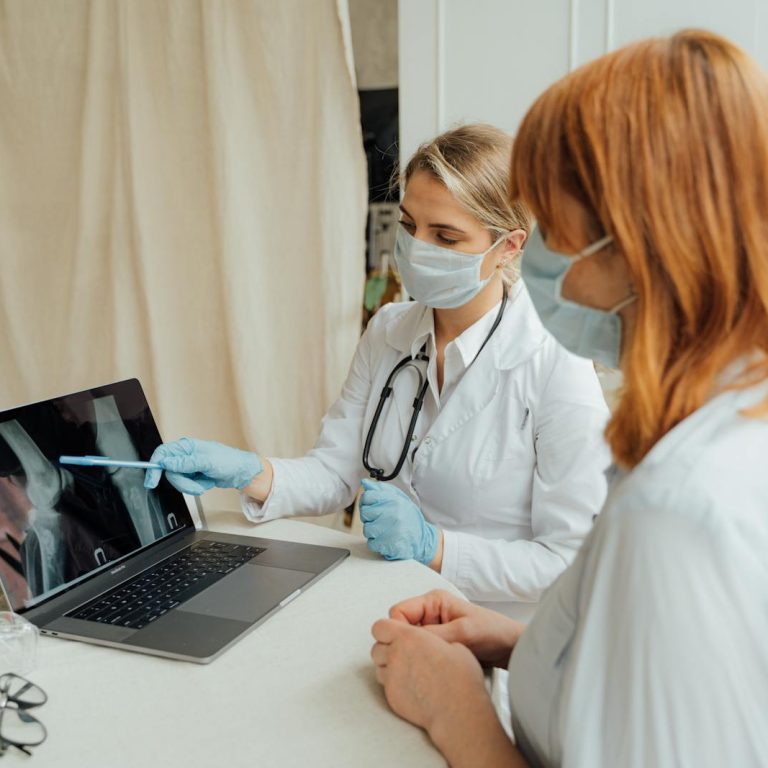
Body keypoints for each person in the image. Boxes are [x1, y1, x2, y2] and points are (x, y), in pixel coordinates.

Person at [369, 30, 768, 766]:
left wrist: (457, 710)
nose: (538, 255)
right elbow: (652, 680)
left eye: (553, 227)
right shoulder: (723, 426)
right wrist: (517, 642)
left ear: (644, 241)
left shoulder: (680, 512)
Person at [145, 124, 610, 618]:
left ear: (510, 246)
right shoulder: (389, 329)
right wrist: (247, 471)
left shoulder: (555, 362)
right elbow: (334, 473)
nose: (419, 247)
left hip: (494, 630)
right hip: (388, 607)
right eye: (409, 226)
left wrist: (435, 548)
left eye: (445, 236)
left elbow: (570, 562)